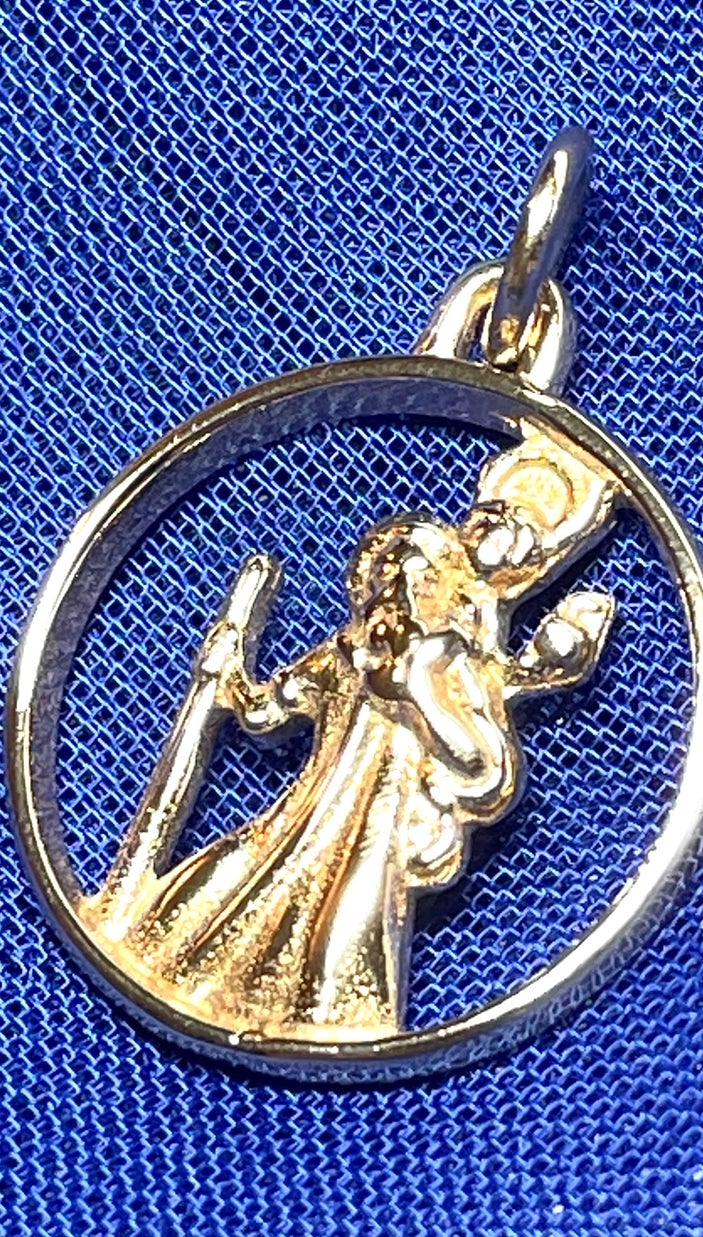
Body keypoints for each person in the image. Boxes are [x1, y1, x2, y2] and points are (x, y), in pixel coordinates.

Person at [83, 424, 619, 1040]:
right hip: (297, 831)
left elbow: (487, 772)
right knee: (214, 901)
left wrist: (428, 695)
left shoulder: (451, 662)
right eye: (395, 578)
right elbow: (263, 713)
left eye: (420, 578)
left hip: (376, 841)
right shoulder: (350, 653)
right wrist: (225, 672)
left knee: (339, 942)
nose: (403, 591)